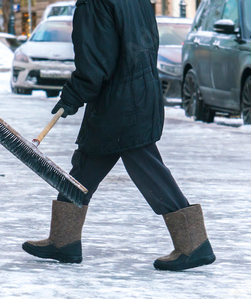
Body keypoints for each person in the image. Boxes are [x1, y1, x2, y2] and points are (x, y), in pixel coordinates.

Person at [22, 0, 216, 271]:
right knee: (87, 164)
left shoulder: (95, 3)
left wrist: (73, 95)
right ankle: (63, 240)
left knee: (147, 167)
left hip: (120, 102)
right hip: (138, 93)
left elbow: (95, 61)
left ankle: (193, 243)